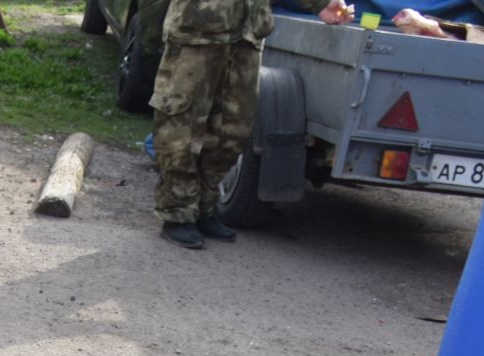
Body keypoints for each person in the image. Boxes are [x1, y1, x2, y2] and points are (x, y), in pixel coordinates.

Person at [151, 0, 354, 249]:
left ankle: (204, 207)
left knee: (232, 129)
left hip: (247, 37)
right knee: (181, 123)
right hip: (198, 30)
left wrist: (320, 4)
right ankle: (177, 211)